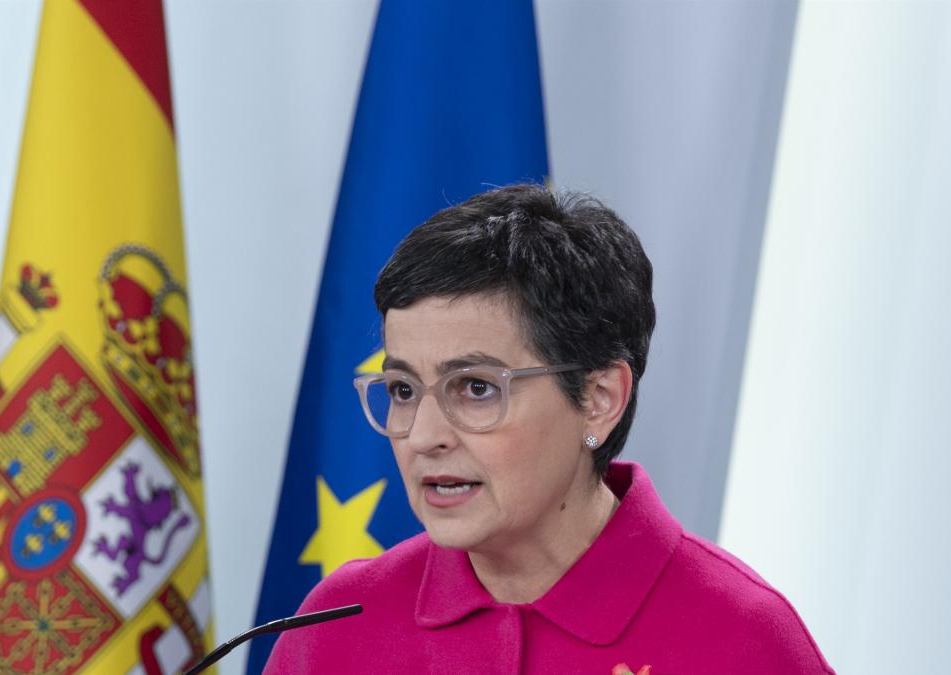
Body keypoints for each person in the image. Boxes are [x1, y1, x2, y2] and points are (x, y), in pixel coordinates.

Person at [263, 184, 833, 674]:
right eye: (404, 390)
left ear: (599, 399)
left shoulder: (741, 637)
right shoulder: (335, 625)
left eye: (476, 388)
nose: (422, 436)